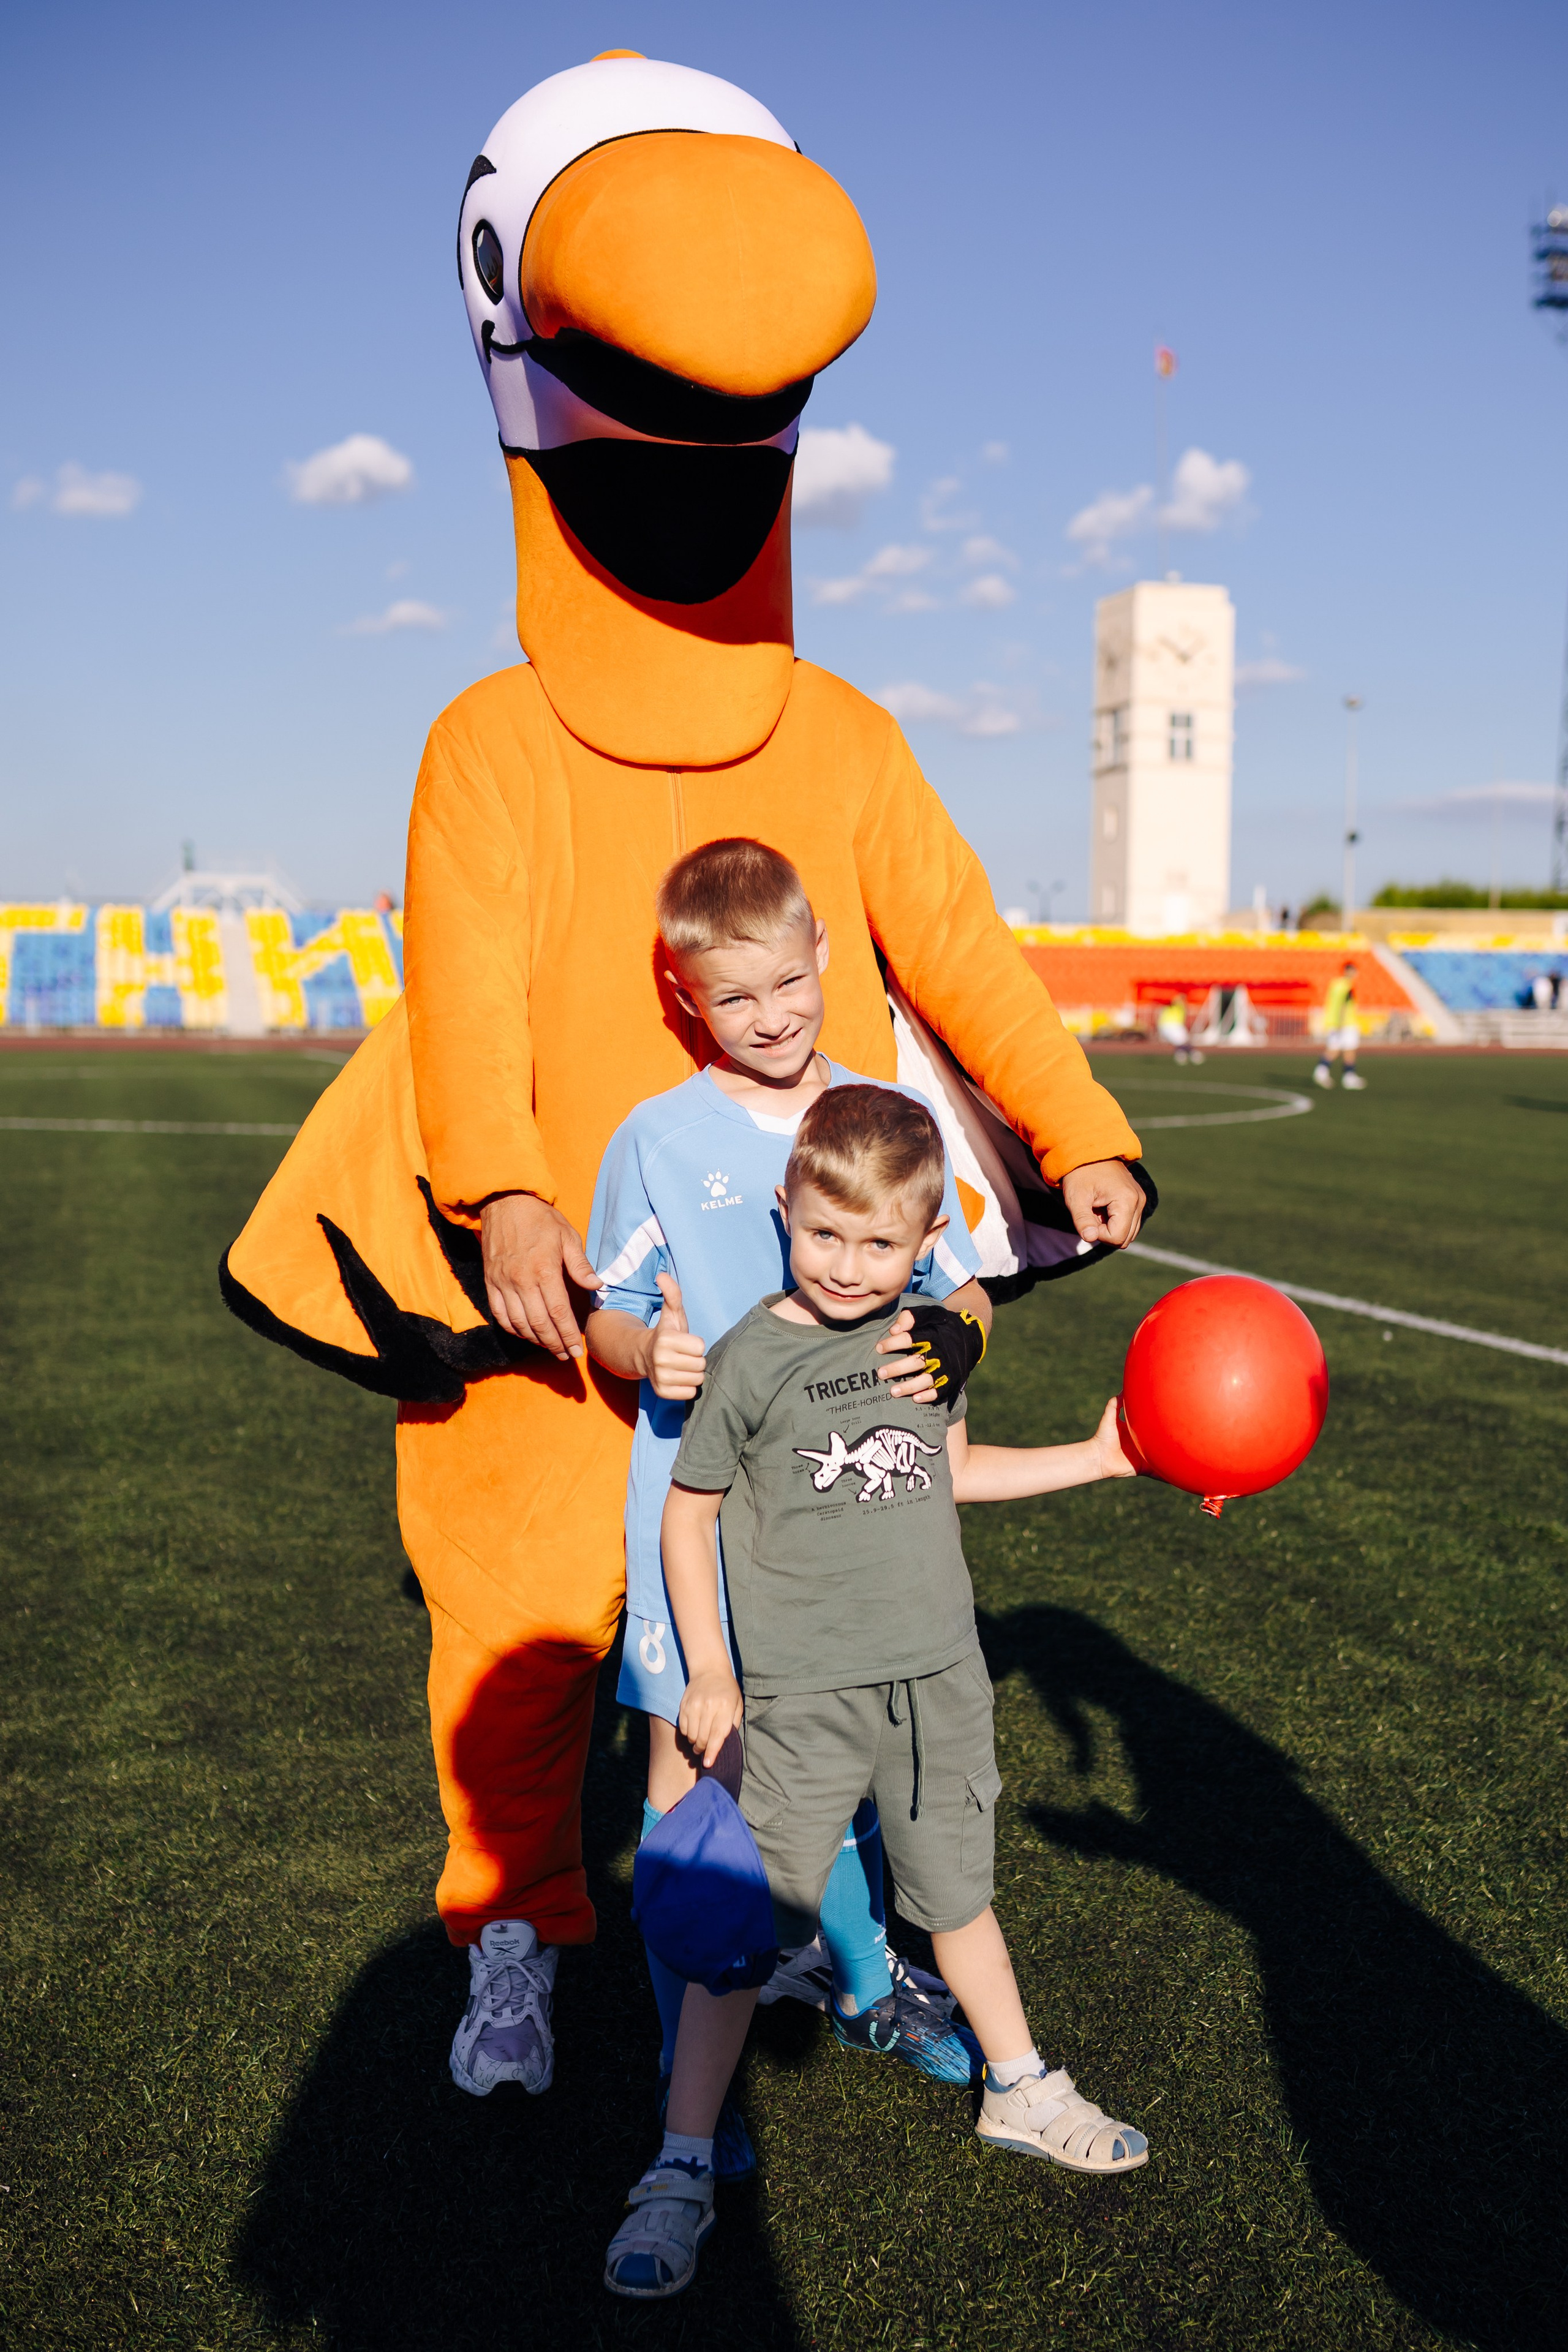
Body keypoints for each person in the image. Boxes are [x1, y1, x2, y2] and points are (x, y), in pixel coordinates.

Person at [221, 55, 1148, 2106]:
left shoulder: (849, 736)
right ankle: (516, 1932)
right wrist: (503, 1192)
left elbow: (961, 945)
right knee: (530, 1629)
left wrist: (1079, 1127)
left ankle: (817, 1933)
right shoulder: (489, 740)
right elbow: (465, 985)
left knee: (810, 1632)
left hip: (812, 1292)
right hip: (562, 1303)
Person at [603, 1087, 1148, 2300]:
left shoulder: (926, 1347)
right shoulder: (750, 1358)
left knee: (956, 1900)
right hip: (798, 1703)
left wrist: (1100, 1456)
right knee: (740, 1936)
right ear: (784, 1210)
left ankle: (1021, 2088)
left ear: (925, 1242)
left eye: (879, 1244)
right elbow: (687, 1519)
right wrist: (709, 1669)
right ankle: (681, 2160)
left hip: (938, 1683)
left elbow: (954, 1474)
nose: (847, 1266)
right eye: (823, 1234)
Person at [584, 840, 992, 2165]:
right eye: (733, 997)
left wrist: (960, 1339)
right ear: (684, 993)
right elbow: (607, 1313)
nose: (768, 1018)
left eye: (787, 983)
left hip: (844, 1532)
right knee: (694, 1770)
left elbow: (962, 1286)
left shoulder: (882, 1117)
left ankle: (868, 1984)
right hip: (698, 1519)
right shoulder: (655, 1138)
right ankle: (685, 2073)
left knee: (848, 1756)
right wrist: (643, 1351)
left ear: (824, 952)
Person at [1314, 959, 1365, 1090]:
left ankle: (1322, 1072)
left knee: (1335, 1048)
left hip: (1336, 1022)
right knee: (1347, 1050)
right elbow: (1343, 1005)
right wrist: (1341, 1023)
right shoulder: (1346, 985)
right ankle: (1348, 1077)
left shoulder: (1336, 984)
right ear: (1349, 971)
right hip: (1345, 1023)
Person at [1155, 989, 1204, 1065]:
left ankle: (1183, 1055)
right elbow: (1172, 1002)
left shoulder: (1181, 1005)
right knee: (1181, 1042)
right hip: (1171, 1025)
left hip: (1175, 1025)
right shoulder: (1174, 1003)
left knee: (1182, 1041)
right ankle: (1192, 1054)